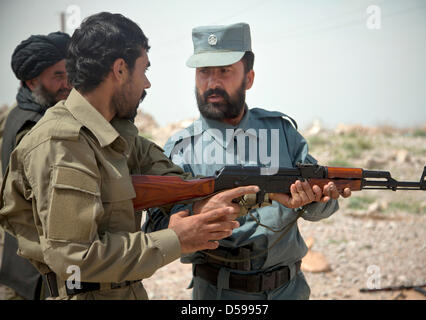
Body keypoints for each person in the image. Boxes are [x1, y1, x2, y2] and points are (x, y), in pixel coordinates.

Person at [0, 12, 258, 300]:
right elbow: (75, 258)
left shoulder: (117, 132)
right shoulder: (62, 143)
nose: (146, 84)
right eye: (143, 69)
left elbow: (182, 187)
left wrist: (263, 193)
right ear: (120, 69)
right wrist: (177, 239)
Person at [146, 22, 351, 300]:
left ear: (249, 78)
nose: (212, 83)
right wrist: (199, 212)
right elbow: (154, 235)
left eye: (225, 71)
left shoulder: (281, 133)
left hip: (287, 290)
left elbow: (320, 207)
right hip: (217, 294)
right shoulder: (181, 149)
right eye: (204, 72)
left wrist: (315, 200)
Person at [0, 31, 71, 300]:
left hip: (20, 268)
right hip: (33, 276)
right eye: (58, 76)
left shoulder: (16, 113)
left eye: (69, 74)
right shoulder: (34, 126)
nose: (68, 83)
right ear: (31, 81)